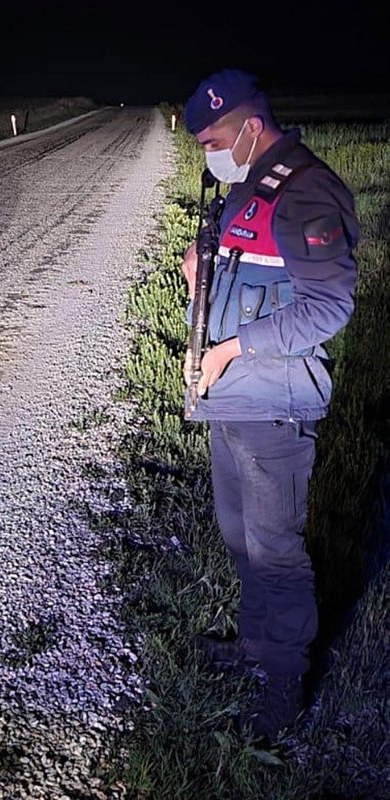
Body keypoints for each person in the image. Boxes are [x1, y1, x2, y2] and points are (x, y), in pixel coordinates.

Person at [180, 69, 359, 740]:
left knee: (275, 550)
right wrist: (198, 280)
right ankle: (254, 649)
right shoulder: (245, 188)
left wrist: (229, 350)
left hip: (272, 401)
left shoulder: (306, 190)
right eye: (200, 141)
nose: (209, 152)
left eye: (215, 138)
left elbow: (327, 307)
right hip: (231, 400)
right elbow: (238, 280)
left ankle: (281, 687)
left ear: (251, 127)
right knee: (239, 540)